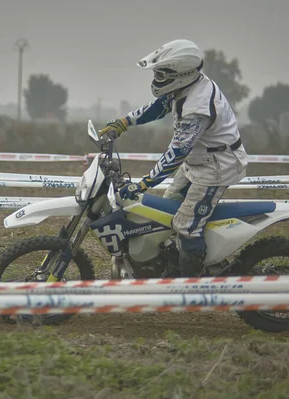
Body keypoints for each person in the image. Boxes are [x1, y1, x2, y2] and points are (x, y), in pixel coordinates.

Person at [98, 39, 248, 277]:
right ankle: (171, 262)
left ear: (181, 73)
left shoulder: (198, 107)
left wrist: (144, 183)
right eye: (158, 73)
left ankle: (189, 284)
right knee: (166, 214)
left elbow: (177, 152)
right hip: (199, 161)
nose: (157, 78)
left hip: (217, 168)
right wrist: (125, 122)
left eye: (163, 73)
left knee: (186, 226)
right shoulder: (186, 86)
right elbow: (159, 106)